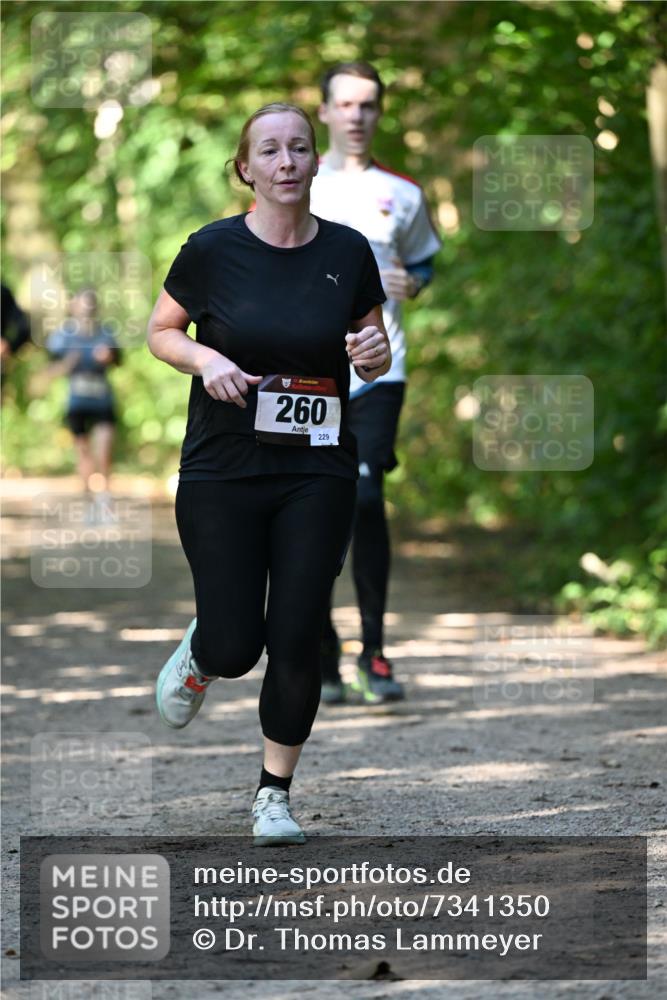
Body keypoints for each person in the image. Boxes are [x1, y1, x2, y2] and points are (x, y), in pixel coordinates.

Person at [148, 103, 390, 845]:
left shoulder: (348, 253)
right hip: (223, 468)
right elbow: (161, 332)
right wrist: (206, 358)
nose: (286, 162)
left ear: (314, 162)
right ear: (246, 168)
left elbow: (370, 338)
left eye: (298, 149)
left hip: (316, 469)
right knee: (236, 645)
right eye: (270, 151)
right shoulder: (212, 250)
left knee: (295, 636)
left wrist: (371, 356)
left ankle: (273, 795)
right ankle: (203, 652)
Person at [310, 62, 442, 705]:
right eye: (346, 104)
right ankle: (322, 652)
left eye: (369, 106)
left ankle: (375, 653)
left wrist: (411, 284)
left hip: (379, 368)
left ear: (378, 114)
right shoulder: (296, 181)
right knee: (313, 506)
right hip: (306, 373)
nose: (357, 116)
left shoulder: (403, 193)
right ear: (326, 111)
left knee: (364, 498)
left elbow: (422, 263)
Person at [46, 288, 120, 498]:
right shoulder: (61, 336)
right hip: (77, 401)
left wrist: (109, 357)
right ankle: (87, 496)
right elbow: (50, 370)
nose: (87, 308)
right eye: (83, 303)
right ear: (73, 306)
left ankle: (105, 497)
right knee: (83, 451)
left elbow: (119, 361)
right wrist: (69, 363)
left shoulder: (106, 332)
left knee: (104, 449)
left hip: (102, 399)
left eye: (91, 303)